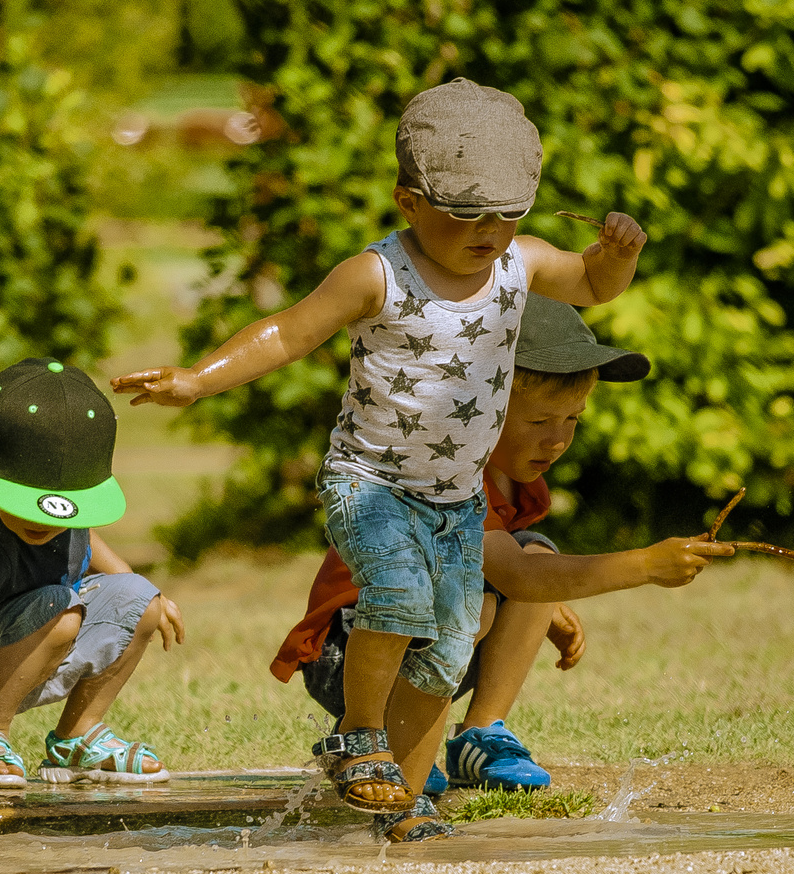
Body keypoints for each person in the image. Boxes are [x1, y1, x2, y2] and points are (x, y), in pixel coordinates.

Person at [113, 78, 647, 835]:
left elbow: (593, 284)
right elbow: (288, 332)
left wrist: (615, 253)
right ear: (409, 203)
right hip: (370, 485)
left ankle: (403, 799)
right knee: (397, 596)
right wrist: (197, 380)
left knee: (448, 649)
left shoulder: (519, 265)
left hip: (455, 500)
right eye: (465, 215)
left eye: (507, 213)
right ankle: (358, 738)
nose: (488, 232)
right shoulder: (378, 273)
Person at [272, 293, 734, 839]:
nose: (558, 438)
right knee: (498, 590)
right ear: (479, 403)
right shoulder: (448, 473)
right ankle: (389, 745)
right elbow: (515, 576)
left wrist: (542, 600)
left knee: (529, 558)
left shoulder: (519, 482)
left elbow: (512, 566)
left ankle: (476, 735)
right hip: (351, 654)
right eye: (539, 419)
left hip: (433, 638)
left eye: (572, 419)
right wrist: (646, 564)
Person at [0, 359, 185, 798]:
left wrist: (144, 600)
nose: (40, 522)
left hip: (23, 644)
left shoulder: (69, 515)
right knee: (60, 610)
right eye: (25, 505)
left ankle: (76, 739)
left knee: (141, 597)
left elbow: (87, 541)